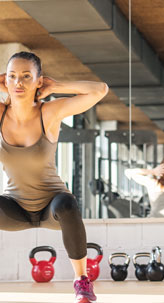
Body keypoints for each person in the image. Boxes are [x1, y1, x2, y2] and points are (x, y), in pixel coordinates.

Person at [0, 51, 108, 303]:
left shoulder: (48, 113)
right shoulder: (2, 114)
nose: (19, 82)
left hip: (53, 207)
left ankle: (81, 281)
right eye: (13, 76)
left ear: (39, 81)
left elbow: (100, 90)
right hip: (14, 208)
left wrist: (57, 86)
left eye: (27, 76)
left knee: (67, 203)